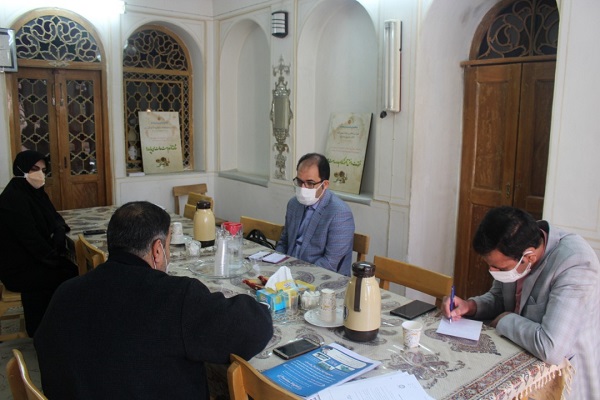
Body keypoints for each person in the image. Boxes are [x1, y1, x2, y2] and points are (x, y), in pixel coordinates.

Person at [34, 201, 273, 399]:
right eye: (167, 247)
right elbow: (253, 329)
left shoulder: (65, 292)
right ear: (157, 250)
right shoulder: (175, 296)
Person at [443, 206, 600, 399]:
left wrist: (505, 319)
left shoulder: (575, 264)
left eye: (499, 268)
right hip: (519, 354)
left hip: (561, 379)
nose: (492, 271)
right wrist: (470, 306)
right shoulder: (517, 246)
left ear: (529, 257)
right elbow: (499, 298)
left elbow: (551, 348)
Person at [0, 150, 78, 336]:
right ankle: (48, 330)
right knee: (71, 273)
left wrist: (59, 231)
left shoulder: (35, 193)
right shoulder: (13, 199)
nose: (40, 174)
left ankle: (59, 324)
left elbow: (55, 218)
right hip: (19, 267)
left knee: (72, 268)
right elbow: (31, 240)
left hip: (35, 258)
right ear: (20, 169)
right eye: (34, 169)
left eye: (43, 170)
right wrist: (54, 258)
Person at [276, 153, 355, 276]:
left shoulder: (340, 214)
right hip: (288, 271)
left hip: (323, 278)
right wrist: (276, 264)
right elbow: (284, 242)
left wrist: (297, 274)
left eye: (310, 183)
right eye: (299, 181)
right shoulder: (294, 204)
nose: (303, 188)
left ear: (325, 184)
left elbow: (329, 263)